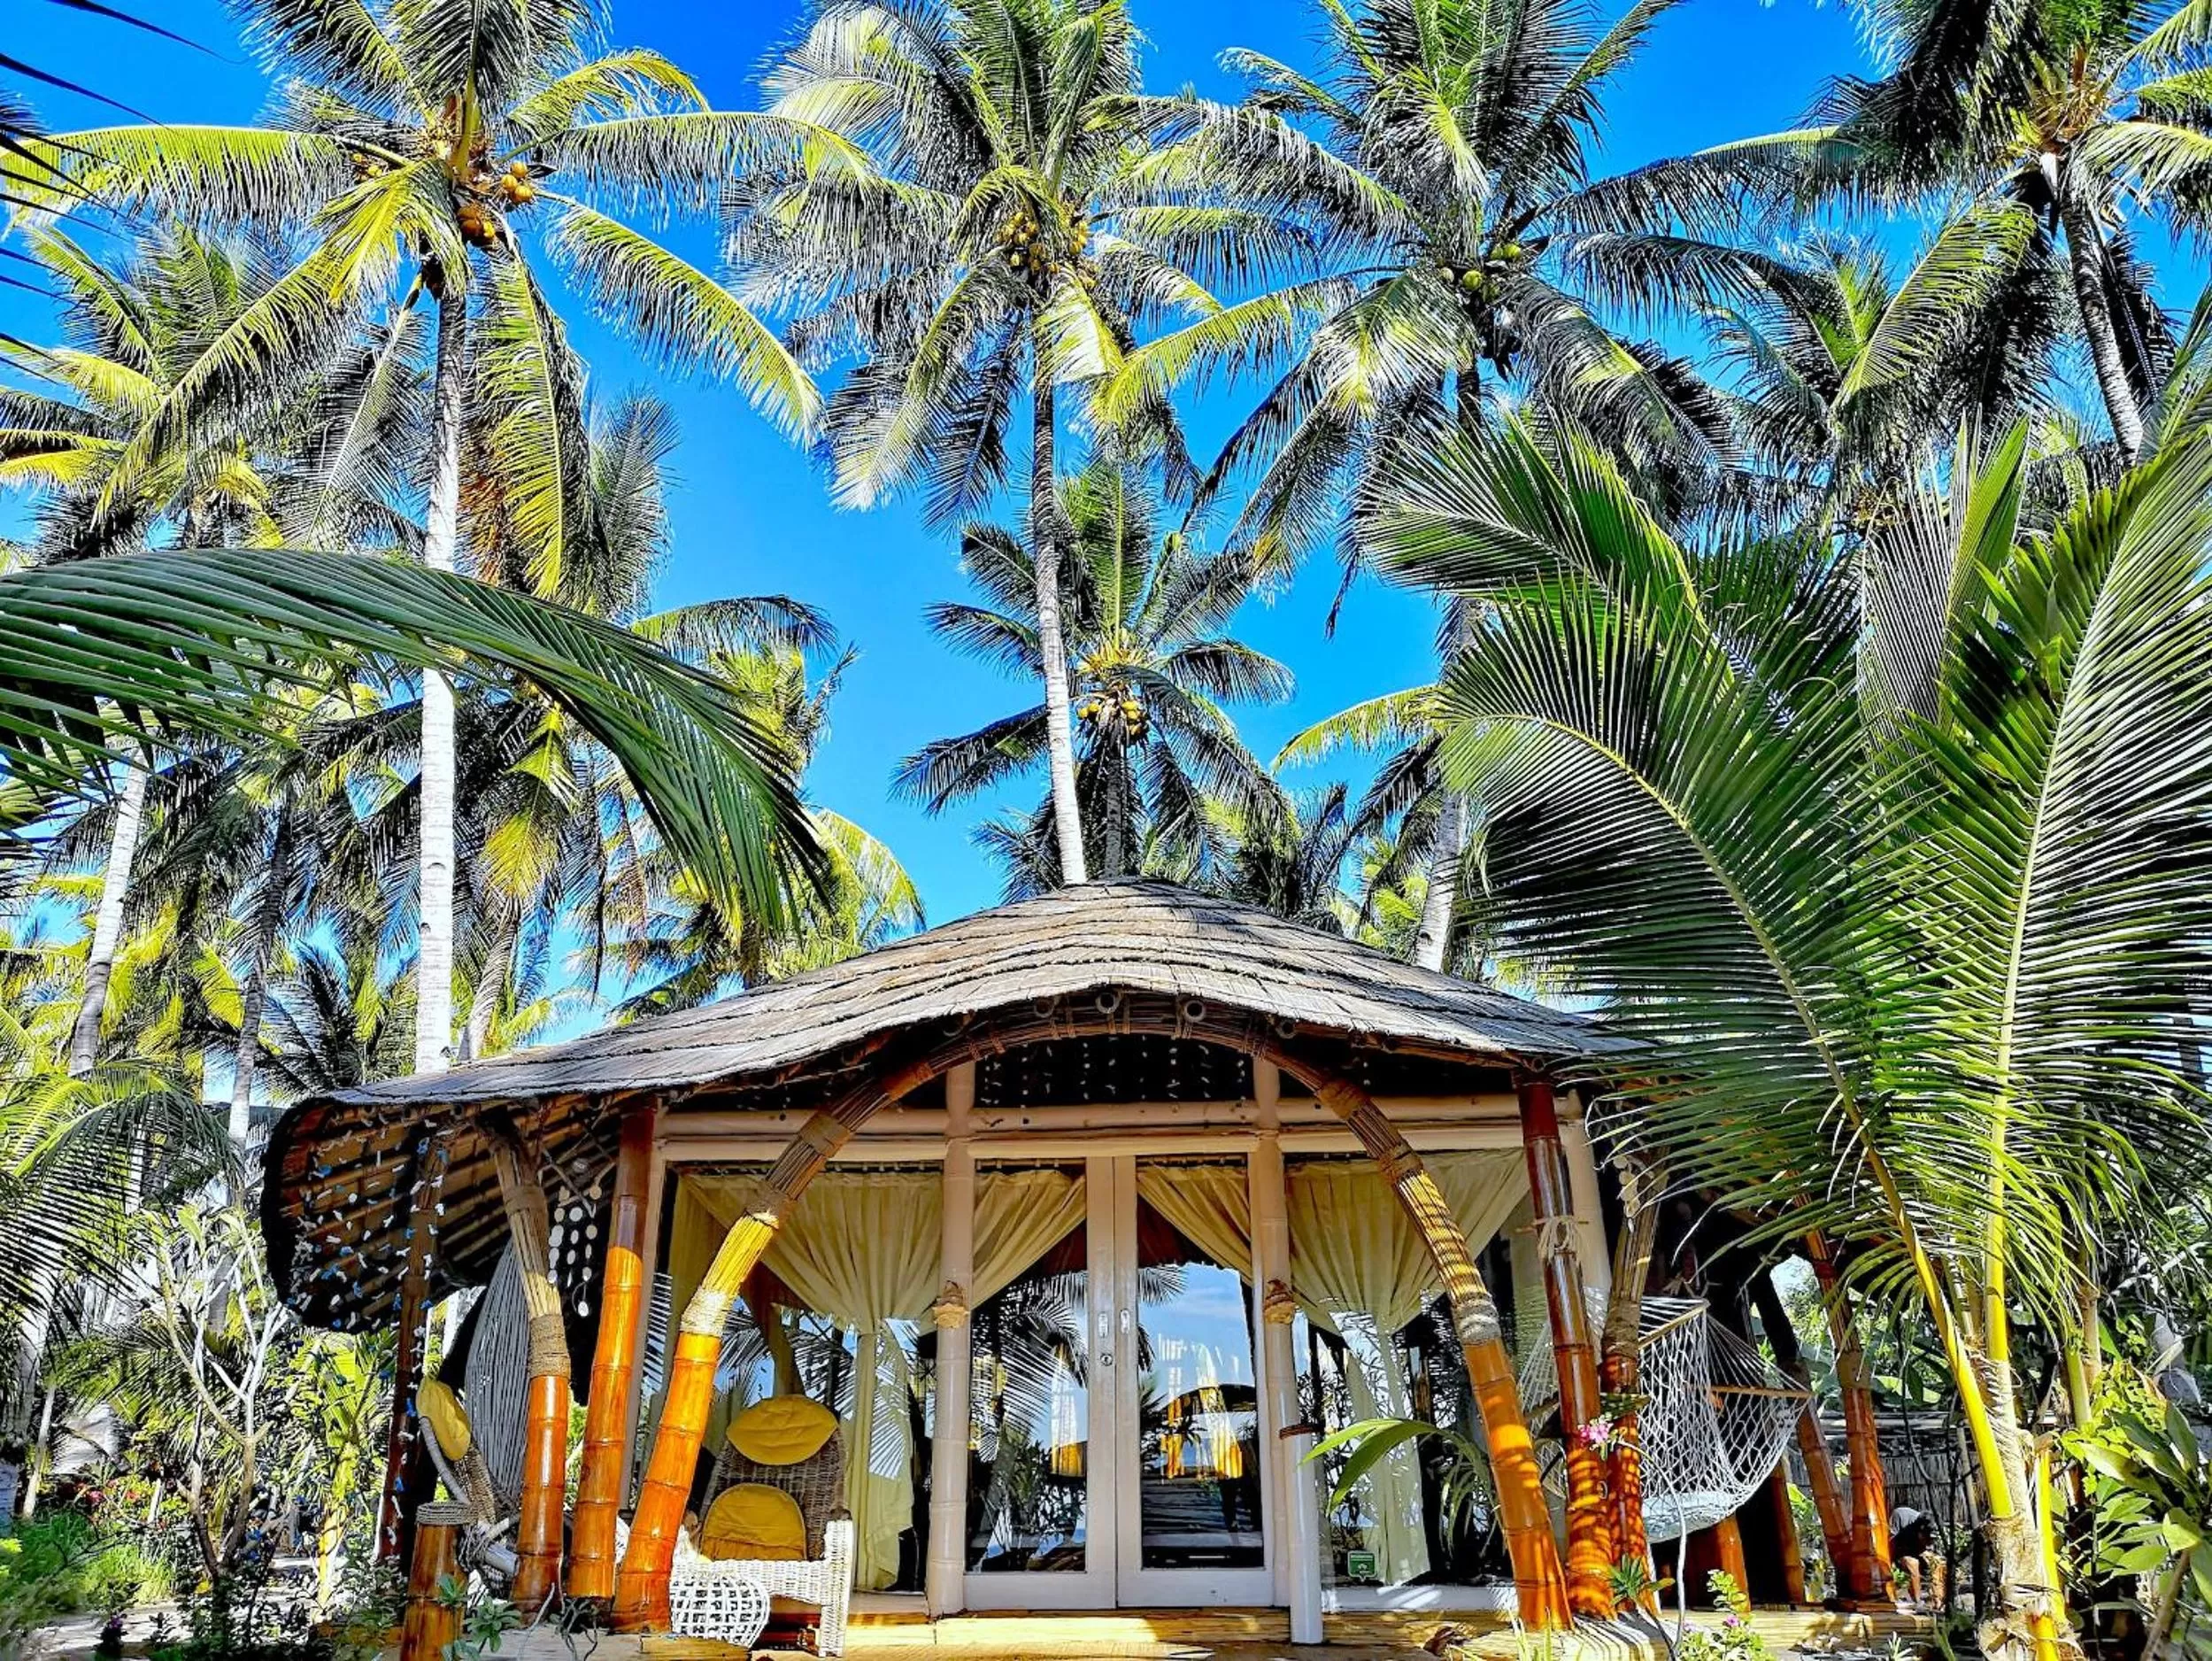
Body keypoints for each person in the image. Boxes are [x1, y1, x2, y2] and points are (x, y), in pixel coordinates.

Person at [1889, 1505, 1935, 1609]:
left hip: (1915, 1551)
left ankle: (1936, 1600)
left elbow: (1929, 1546)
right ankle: (1918, 1601)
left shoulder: (1930, 1526)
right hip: (1899, 1549)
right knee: (1914, 1564)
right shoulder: (1900, 1515)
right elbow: (1890, 1542)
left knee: (1936, 1566)